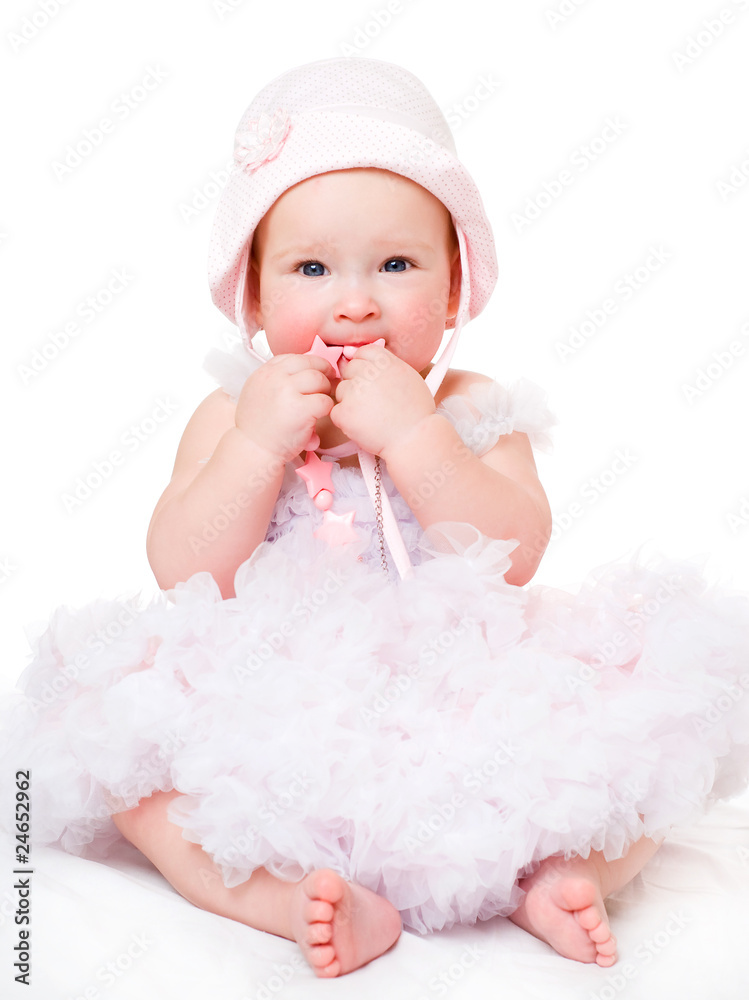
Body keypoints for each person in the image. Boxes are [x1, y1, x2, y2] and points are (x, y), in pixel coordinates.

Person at [3, 57, 749, 981]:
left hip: (466, 692)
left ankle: (562, 876)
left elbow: (513, 553)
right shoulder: (232, 413)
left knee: (655, 722)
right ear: (253, 295)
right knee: (114, 739)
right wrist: (254, 449)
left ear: (453, 287)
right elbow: (186, 571)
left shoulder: (471, 405)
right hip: (274, 700)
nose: (354, 301)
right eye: (311, 268)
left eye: (396, 265)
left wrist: (416, 436)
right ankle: (284, 898)